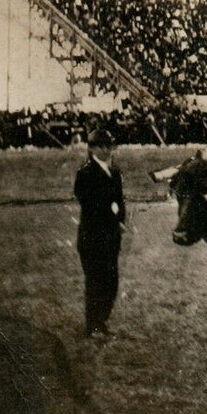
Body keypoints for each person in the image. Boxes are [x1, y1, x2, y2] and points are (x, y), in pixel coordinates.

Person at [73, 129, 127, 340]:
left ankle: (101, 321)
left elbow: (120, 201)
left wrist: (120, 220)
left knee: (111, 281)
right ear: (92, 148)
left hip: (111, 236)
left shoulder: (114, 173)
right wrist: (113, 218)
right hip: (92, 236)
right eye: (103, 146)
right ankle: (93, 325)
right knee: (95, 281)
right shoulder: (85, 173)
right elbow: (90, 205)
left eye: (110, 146)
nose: (108, 150)